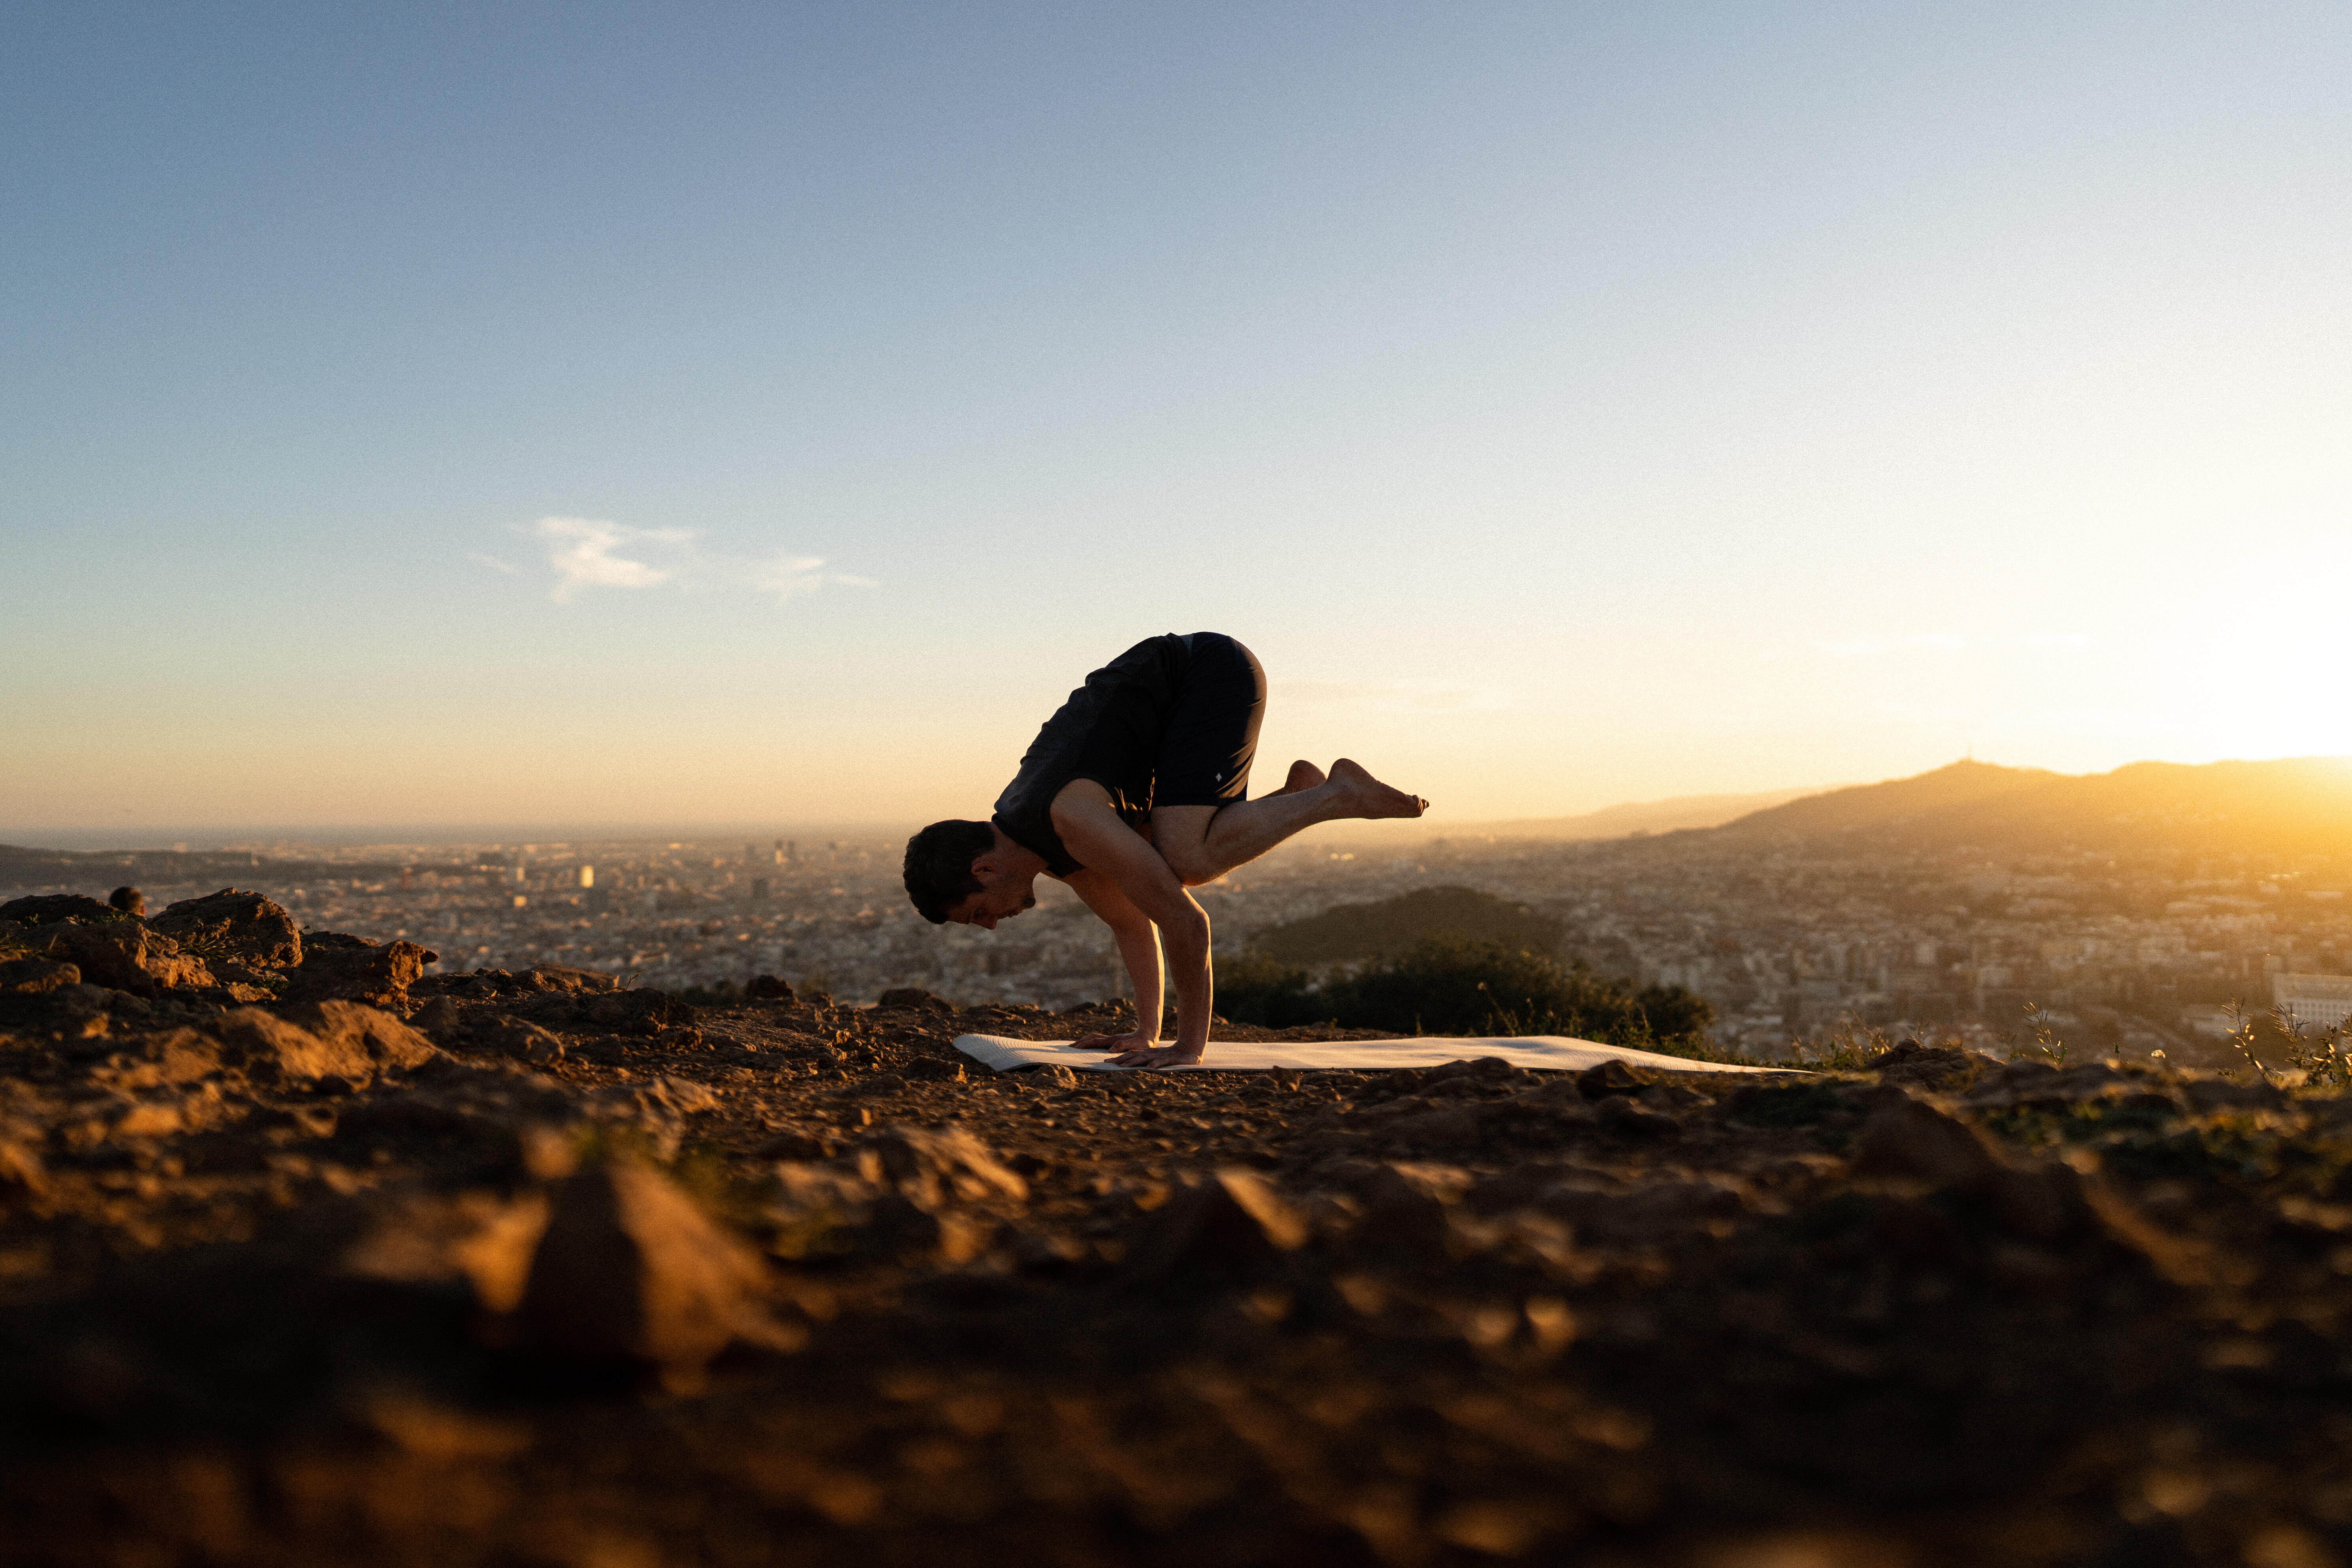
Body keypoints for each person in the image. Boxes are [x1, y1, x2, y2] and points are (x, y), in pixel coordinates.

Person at [902, 632, 1426, 1068]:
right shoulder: (1045, 843)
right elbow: (1133, 923)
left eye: (977, 914)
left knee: (1188, 862)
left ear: (985, 868)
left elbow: (1185, 921)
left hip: (1206, 671)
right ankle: (1297, 796)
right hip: (1172, 704)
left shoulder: (1067, 819)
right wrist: (1144, 1032)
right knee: (1166, 853)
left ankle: (1336, 794)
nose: (991, 926)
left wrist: (1188, 1047)